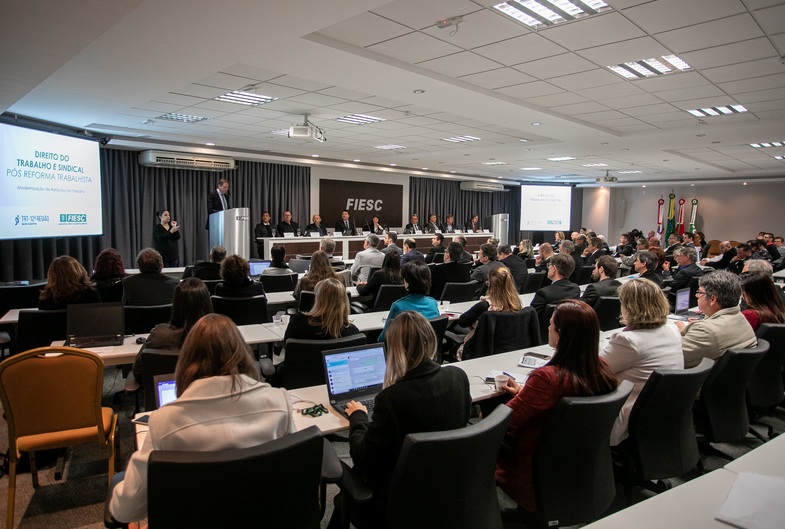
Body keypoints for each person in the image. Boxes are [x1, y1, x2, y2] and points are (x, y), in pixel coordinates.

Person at [108, 314, 296, 524]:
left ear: (187, 360)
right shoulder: (280, 404)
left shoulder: (164, 423)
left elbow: (123, 511)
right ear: (242, 354)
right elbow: (295, 482)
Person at [339, 312, 471, 526]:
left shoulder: (391, 399)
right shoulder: (458, 377)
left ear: (395, 350)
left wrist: (358, 416)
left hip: (398, 497)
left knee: (355, 473)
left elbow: (362, 455)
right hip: (448, 485)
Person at [496, 300, 618, 513]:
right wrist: (526, 394)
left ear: (561, 333)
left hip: (534, 465)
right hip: (579, 465)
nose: (548, 328)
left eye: (551, 324)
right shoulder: (602, 368)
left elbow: (506, 422)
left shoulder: (547, 379)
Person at [600, 279, 683, 445]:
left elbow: (594, 368)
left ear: (630, 307)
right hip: (661, 408)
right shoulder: (672, 329)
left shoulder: (628, 341)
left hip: (626, 412)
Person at [131, 277, 213, 383]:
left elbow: (138, 372)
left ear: (176, 303)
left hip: (166, 394)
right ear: (207, 303)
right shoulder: (218, 334)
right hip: (207, 393)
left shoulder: (159, 334)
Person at [676, 271, 757, 368]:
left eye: (699, 293)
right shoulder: (739, 317)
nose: (696, 295)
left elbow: (670, 357)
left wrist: (678, 332)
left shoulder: (706, 331)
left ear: (713, 299)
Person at [454, 266, 522, 360]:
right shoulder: (517, 304)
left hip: (480, 350)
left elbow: (462, 322)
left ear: (491, 285)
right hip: (508, 350)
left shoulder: (484, 306)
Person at [378, 261, 439, 342]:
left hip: (406, 352)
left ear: (407, 282)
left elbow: (384, 338)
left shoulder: (398, 306)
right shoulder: (433, 303)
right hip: (429, 351)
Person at [283, 278, 360, 343]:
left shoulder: (297, 322)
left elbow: (287, 349)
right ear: (344, 301)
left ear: (317, 299)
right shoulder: (352, 333)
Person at [530, 253, 580, 320]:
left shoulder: (543, 293)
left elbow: (531, 317)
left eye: (549, 265)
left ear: (554, 269)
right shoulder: (576, 289)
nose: (548, 267)